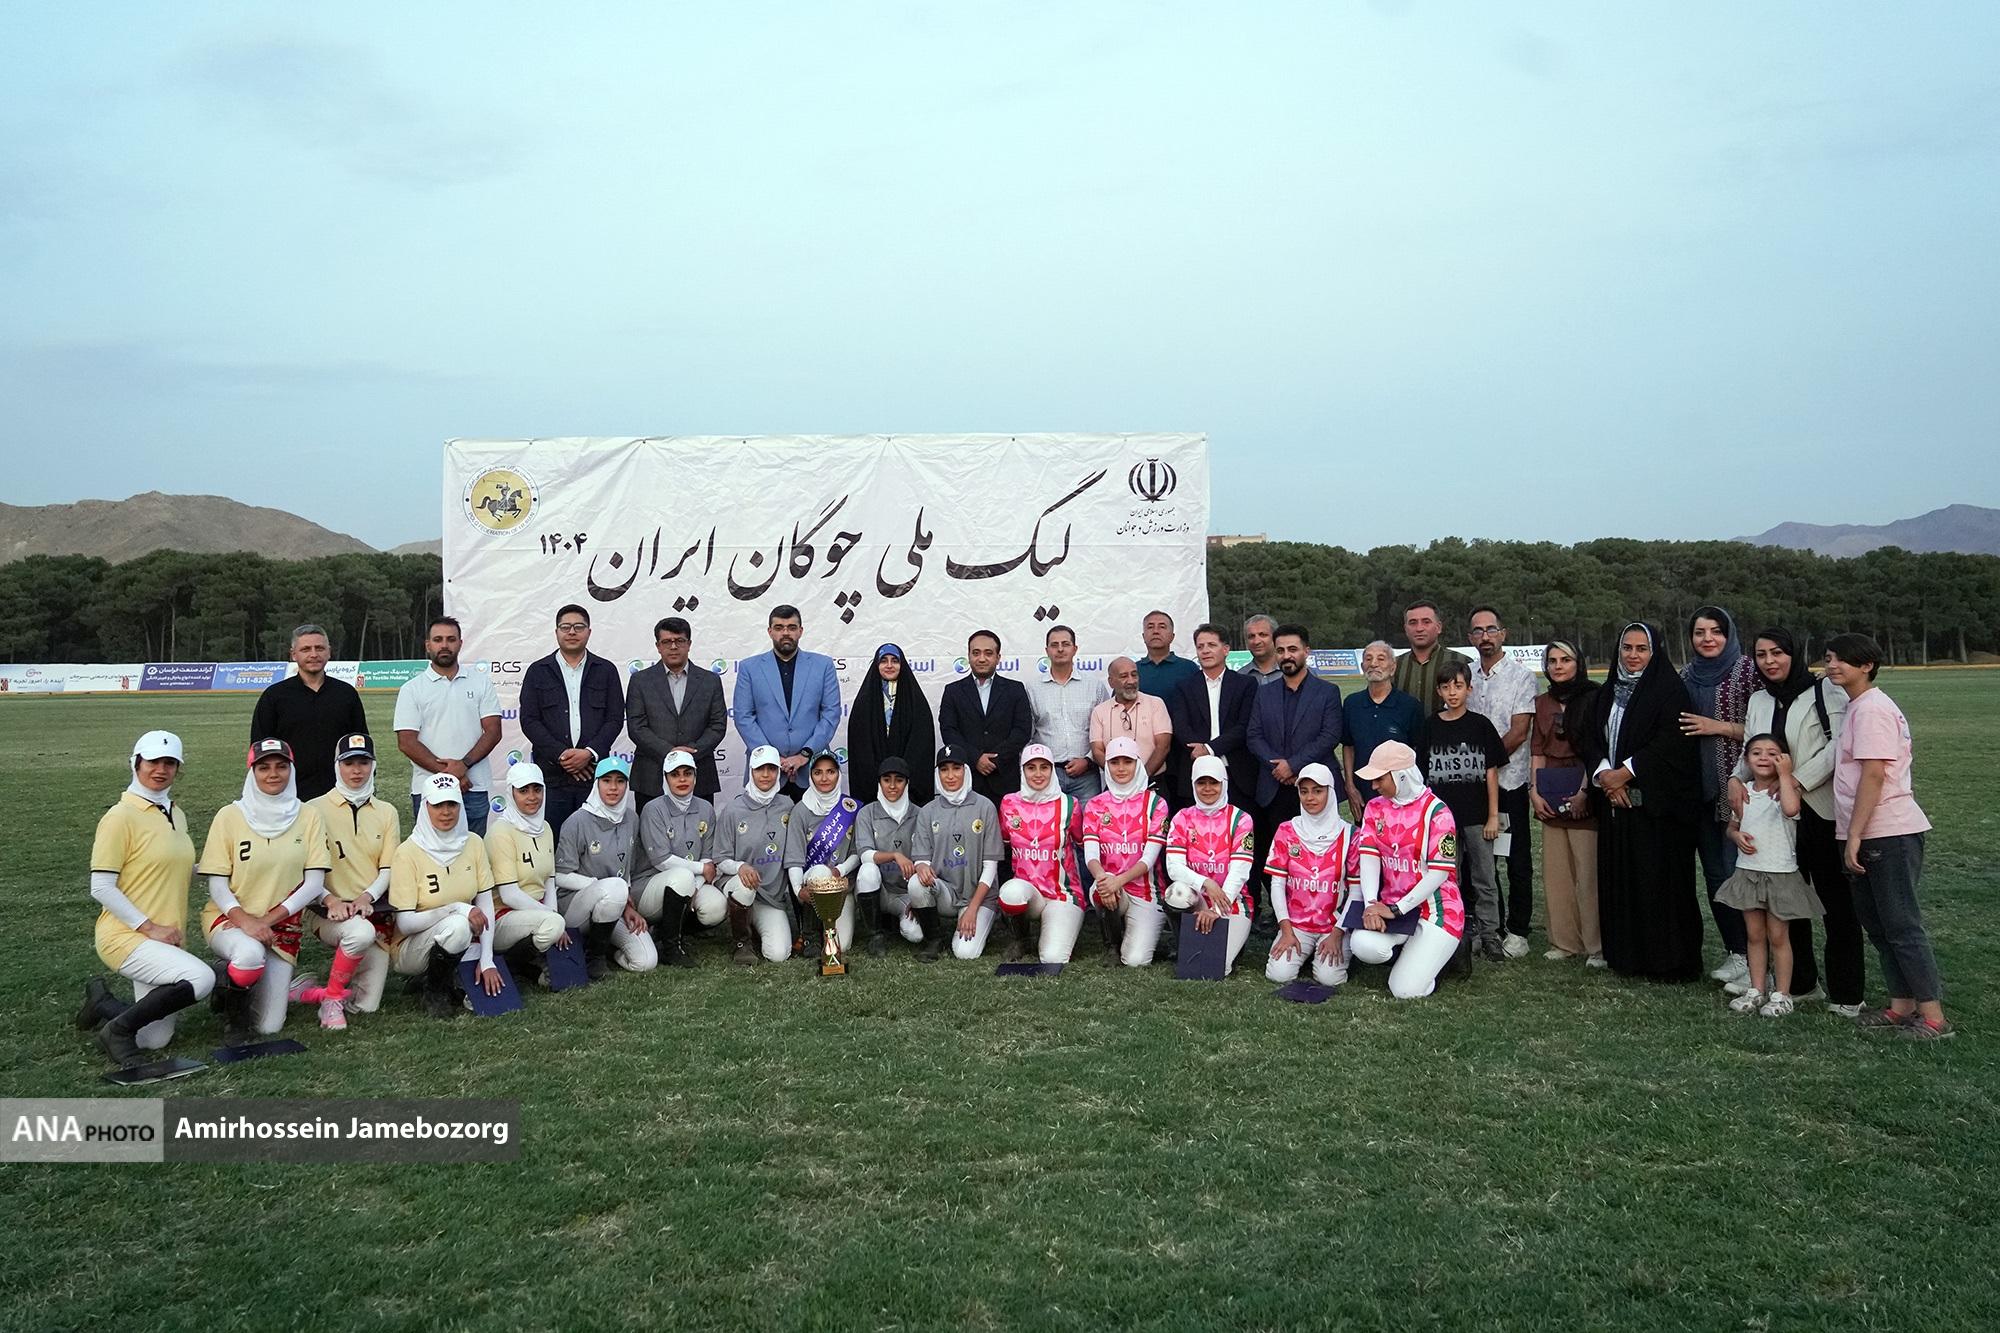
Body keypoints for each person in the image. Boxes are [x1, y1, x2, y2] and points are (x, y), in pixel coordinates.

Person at [1727, 628, 1859, 1013]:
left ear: (1794, 653)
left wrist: (1797, 781)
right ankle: (1800, 983)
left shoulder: (1825, 691)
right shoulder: (1759, 699)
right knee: (1785, 902)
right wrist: (1735, 778)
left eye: (1778, 653)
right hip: (1774, 818)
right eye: (1761, 654)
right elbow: (1752, 748)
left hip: (1820, 809)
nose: (1770, 661)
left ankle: (1847, 993)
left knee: (1836, 904)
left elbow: (1838, 746)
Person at [1826, 634, 1950, 1040]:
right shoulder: (1856, 707)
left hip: (1887, 831)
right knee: (1879, 927)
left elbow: (1874, 774)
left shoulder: (1873, 709)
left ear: (1867, 666)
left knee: (1901, 926)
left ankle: (1933, 1018)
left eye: (1844, 659)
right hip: (1865, 832)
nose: (1833, 665)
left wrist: (1855, 835)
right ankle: (1901, 1006)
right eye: (1830, 658)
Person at [77, 730, 216, 1068]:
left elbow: (174, 869)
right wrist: (150, 927)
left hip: (164, 939)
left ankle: (102, 1003)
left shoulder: (175, 813)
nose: (161, 769)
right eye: (153, 761)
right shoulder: (119, 817)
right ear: (136, 763)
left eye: (170, 763)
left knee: (155, 1040)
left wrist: (222, 870)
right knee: (201, 979)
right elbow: (101, 887)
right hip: (126, 936)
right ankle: (116, 1033)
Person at [1583, 624, 1703, 982]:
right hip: (1616, 804)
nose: (1633, 655)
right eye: (1627, 648)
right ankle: (1626, 955)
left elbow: (1672, 742)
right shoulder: (1607, 693)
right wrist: (1606, 777)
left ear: (1655, 652)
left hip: (1658, 811)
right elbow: (1590, 737)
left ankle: (1666, 961)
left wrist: (1627, 772)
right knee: (1622, 880)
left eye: (1641, 649)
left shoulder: (1670, 691)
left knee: (1657, 883)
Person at [199, 738, 334, 1043]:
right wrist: (246, 921)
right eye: (263, 767)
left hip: (280, 927)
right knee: (248, 953)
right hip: (231, 919)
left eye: (281, 766)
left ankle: (230, 980)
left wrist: (265, 922)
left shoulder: (308, 816)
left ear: (291, 770)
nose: (273, 774)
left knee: (270, 1026)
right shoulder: (229, 816)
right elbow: (217, 884)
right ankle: (235, 1019)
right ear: (252, 772)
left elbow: (313, 883)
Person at [1677, 605, 1760, 988]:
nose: (1707, 639)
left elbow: (1766, 730)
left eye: (1715, 631)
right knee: (1714, 875)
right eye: (1699, 632)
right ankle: (1736, 952)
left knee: (1738, 871)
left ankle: (1759, 957)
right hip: (1699, 792)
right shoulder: (1686, 675)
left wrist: (1719, 727)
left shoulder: (1747, 671)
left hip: (1740, 789)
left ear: (1729, 634)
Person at [296, 732, 398, 1030]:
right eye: (349, 763)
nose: (356, 771)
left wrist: (367, 897)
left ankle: (306, 991)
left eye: (363, 763)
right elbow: (304, 869)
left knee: (366, 1006)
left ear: (373, 765)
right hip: (326, 911)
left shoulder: (387, 812)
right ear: (336, 765)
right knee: (359, 934)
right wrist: (329, 900)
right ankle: (331, 1000)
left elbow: (388, 867)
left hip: (371, 910)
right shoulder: (312, 809)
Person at [1349, 742, 1465, 999]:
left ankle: (1444, 954)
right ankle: (1415, 951)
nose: (1374, 786)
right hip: (1392, 907)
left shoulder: (1438, 812)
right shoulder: (1375, 808)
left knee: (1405, 990)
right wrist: (1371, 905)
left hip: (1435, 910)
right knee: (1362, 945)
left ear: (1401, 776)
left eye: (1380, 779)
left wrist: (1396, 909)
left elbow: (1439, 873)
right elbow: (1369, 857)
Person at [1718, 736, 1823, 1017]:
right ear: (1746, 759)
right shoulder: (1743, 792)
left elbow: (1791, 809)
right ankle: (1756, 989)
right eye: (1756, 752)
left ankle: (1782, 994)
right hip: (1748, 872)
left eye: (1772, 753)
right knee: (1754, 935)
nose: (1763, 758)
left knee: (1778, 936)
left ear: (1784, 759)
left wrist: (1786, 775)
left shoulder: (1785, 791)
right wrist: (1736, 836)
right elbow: (1732, 826)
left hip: (1780, 874)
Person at [1246, 624, 1343, 907]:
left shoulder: (1327, 691)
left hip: (1314, 788)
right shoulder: (1264, 693)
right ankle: (1282, 911)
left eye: (1292, 649)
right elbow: (1254, 735)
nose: (1286, 655)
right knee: (1275, 854)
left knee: (1317, 854)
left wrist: (1294, 765)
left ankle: (1318, 910)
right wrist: (1278, 767)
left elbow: (1330, 735)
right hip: (1274, 787)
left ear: (1306, 651)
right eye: (1280, 650)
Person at [387, 773, 495, 1017]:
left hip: (463, 937)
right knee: (458, 926)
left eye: (452, 804)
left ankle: (445, 978)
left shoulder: (474, 843)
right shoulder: (407, 852)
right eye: (438, 805)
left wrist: (487, 959)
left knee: (470, 940)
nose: (446, 812)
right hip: (411, 947)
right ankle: (434, 991)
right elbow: (405, 923)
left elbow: (486, 905)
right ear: (425, 806)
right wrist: (457, 908)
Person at [1422, 660, 1507, 961]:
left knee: (1484, 877)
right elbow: (1423, 777)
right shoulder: (1430, 726)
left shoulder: (1480, 725)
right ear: (1438, 691)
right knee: (1447, 878)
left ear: (1469, 689)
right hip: (1443, 822)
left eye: (1458, 686)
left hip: (1477, 817)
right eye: (1446, 687)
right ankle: (1452, 932)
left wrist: (1493, 815)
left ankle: (1490, 934)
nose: (1452, 692)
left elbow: (1492, 773)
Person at [517, 604, 627, 835]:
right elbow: (529, 720)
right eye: (565, 627)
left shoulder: (606, 670)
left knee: (595, 841)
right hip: (552, 776)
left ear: (589, 631)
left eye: (579, 627)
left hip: (594, 775)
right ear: (556, 632)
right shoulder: (538, 671)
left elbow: (615, 718)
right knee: (554, 840)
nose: (572, 632)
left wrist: (588, 753)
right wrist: (563, 756)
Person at [1466, 607, 1537, 958]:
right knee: (1482, 861)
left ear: (1503, 634)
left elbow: (1519, 732)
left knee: (1516, 859)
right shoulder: (1466, 675)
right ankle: (1490, 926)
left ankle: (1519, 930)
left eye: (1491, 629)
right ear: (1470, 638)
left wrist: (1486, 765)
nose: (1485, 636)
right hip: (1472, 786)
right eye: (1478, 631)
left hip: (1509, 782)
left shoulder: (1521, 677)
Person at [394, 616, 503, 836]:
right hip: (429, 788)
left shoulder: (480, 682)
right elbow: (406, 742)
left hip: (473, 786)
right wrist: (451, 774)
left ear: (460, 644)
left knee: (473, 850)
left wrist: (464, 764)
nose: (444, 645)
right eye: (438, 640)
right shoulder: (412, 689)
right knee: (432, 852)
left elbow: (493, 731)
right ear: (428, 645)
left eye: (451, 639)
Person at [1530, 641, 1604, 966]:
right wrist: (1534, 792)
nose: (1558, 666)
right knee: (1556, 873)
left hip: (1585, 785)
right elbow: (1537, 751)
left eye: (1565, 660)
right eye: (1552, 661)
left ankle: (1596, 945)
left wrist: (1585, 791)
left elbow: (1599, 748)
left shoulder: (1594, 696)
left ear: (1578, 663)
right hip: (1550, 787)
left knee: (1588, 873)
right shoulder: (1542, 703)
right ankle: (1564, 941)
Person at [552, 756, 659, 978]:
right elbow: (560, 876)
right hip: (575, 908)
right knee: (614, 887)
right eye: (606, 780)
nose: (613, 787)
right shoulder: (577, 821)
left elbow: (626, 870)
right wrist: (603, 887)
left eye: (620, 781)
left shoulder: (631, 818)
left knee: (646, 961)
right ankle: (595, 958)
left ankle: (606, 948)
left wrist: (626, 905)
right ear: (596, 784)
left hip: (613, 905)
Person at [249, 623, 371, 801]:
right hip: (291, 795)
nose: (313, 654)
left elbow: (361, 743)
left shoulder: (346, 694)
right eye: (306, 649)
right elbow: (259, 748)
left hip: (340, 794)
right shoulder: (274, 696)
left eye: (319, 648)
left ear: (329, 652)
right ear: (293, 654)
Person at [1262, 763, 1358, 987]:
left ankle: (1339, 949)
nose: (1310, 798)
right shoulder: (1287, 830)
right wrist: (1286, 930)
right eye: (1304, 791)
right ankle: (1303, 951)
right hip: (1296, 925)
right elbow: (1277, 885)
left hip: (1334, 926)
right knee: (1278, 975)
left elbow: (1357, 891)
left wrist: (1338, 933)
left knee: (1329, 979)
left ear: (1330, 793)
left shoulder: (1350, 835)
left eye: (1318, 791)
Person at [732, 604, 842, 796]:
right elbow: (743, 717)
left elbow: (831, 714)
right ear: (769, 631)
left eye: (791, 627)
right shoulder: (749, 668)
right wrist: (772, 757)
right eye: (779, 627)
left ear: (800, 631)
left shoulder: (823, 666)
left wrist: (805, 755)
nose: (785, 633)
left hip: (812, 769)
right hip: (766, 771)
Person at [1162, 755, 1257, 974]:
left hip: (1232, 901)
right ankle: (1185, 942)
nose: (1207, 789)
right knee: (1176, 892)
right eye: (1201, 782)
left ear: (1224, 783)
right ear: (1193, 784)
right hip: (1196, 899)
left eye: (1213, 782)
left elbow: (1240, 871)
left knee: (1216, 968)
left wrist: (1216, 910)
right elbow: (1174, 867)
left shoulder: (1241, 819)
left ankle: (1230, 937)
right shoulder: (1182, 818)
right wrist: (1207, 883)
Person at [481, 762, 573, 990]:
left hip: (534, 913)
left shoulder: (545, 827)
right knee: (553, 925)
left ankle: (525, 963)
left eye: (537, 789)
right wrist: (552, 918)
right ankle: (510, 964)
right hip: (502, 916)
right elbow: (509, 894)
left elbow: (550, 880)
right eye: (523, 791)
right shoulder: (500, 832)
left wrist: (553, 915)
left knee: (554, 923)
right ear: (511, 793)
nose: (532, 797)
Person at [995, 744, 1087, 964]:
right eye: (1031, 768)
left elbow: (1083, 844)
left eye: (1044, 767)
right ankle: (1022, 939)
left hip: (1062, 893)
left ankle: (1059, 923)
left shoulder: (1070, 804)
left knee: (1053, 958)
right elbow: (1004, 842)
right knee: (1010, 893)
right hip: (1027, 893)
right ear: (1022, 771)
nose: (1038, 774)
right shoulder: (1009, 803)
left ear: (1052, 770)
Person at [1084, 737, 1171, 967]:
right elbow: (1091, 855)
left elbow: (1148, 859)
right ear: (1107, 766)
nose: (1121, 768)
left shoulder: (1156, 804)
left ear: (1137, 764)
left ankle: (1140, 935)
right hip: (1109, 886)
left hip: (1146, 892)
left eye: (1127, 762)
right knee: (1100, 892)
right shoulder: (1095, 804)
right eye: (1114, 762)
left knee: (1135, 960)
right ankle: (1112, 945)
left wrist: (1118, 881)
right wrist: (1104, 880)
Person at [910, 745, 1002, 962]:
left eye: (956, 768)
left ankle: (984, 916)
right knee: (916, 884)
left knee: (965, 953)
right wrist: (921, 867)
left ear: (966, 771)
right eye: (944, 770)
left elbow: (991, 867)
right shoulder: (928, 811)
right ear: (937, 774)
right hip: (946, 893)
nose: (950, 776)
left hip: (979, 896)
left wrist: (972, 909)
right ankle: (934, 939)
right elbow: (921, 859)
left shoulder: (985, 806)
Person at [627, 615, 727, 809]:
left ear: (689, 644)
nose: (673, 647)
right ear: (658, 646)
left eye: (679, 641)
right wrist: (669, 752)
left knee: (699, 828)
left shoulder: (710, 681)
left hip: (699, 774)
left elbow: (717, 726)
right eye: (667, 642)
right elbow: (636, 727)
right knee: (652, 828)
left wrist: (689, 753)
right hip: (651, 777)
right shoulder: (640, 681)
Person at [635, 751, 720, 968]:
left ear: (695, 776)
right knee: (682, 876)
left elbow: (708, 857)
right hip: (648, 886)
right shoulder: (653, 809)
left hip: (688, 882)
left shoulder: (706, 808)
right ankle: (671, 948)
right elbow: (661, 860)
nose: (682, 779)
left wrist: (696, 886)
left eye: (687, 773)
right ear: (666, 778)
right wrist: (699, 870)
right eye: (675, 774)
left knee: (716, 908)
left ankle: (671, 930)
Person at [715, 746, 796, 965]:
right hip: (739, 886)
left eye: (772, 769)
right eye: (760, 769)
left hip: (770, 897)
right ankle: (741, 943)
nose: (766, 775)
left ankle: (754, 924)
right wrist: (740, 867)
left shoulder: (787, 805)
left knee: (778, 954)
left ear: (778, 772)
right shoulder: (733, 810)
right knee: (745, 887)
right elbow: (720, 859)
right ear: (751, 771)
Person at [1168, 623, 1258, 813]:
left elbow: (1244, 726)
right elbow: (1180, 726)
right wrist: (1199, 751)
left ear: (1225, 649)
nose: (1205, 651)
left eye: (1211, 645)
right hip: (1196, 772)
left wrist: (1209, 749)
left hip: (1237, 775)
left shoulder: (1245, 684)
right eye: (1200, 646)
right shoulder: (1184, 686)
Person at [938, 629, 1033, 807]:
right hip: (968, 780)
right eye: (976, 653)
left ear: (998, 657)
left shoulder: (1015, 690)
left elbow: (1022, 730)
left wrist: (995, 759)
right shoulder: (953, 691)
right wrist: (976, 758)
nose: (982, 658)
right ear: (968, 656)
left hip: (1005, 779)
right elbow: (949, 731)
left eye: (988, 653)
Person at [785, 750, 863, 956]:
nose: (824, 778)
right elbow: (794, 858)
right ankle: (810, 936)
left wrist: (839, 870)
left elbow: (858, 852)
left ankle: (825, 931)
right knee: (821, 872)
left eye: (830, 772)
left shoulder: (851, 808)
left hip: (842, 885)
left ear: (839, 774)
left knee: (842, 945)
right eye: (818, 772)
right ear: (810, 776)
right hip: (812, 881)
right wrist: (797, 890)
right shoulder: (801, 810)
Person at [1340, 641, 1426, 824]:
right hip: (1363, 791)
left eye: (1381, 658)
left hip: (1400, 795)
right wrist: (1350, 785)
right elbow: (1348, 746)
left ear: (1392, 668)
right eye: (1368, 659)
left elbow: (1417, 751)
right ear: (1362, 666)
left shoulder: (1410, 705)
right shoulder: (1352, 704)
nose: (1374, 663)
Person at [846, 643, 938, 810]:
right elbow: (860, 746)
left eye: (894, 661)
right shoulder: (864, 700)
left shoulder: (915, 700)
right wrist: (879, 777)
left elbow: (921, 743)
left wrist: (901, 775)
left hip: (908, 786)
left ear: (902, 665)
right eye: (884, 661)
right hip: (872, 787)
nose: (889, 665)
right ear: (876, 665)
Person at [1031, 624, 1110, 807]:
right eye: (1054, 645)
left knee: (1089, 824)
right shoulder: (1032, 688)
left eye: (1065, 644)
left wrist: (1088, 760)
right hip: (1047, 775)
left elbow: (1105, 730)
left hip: (1087, 776)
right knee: (1048, 824)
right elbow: (1027, 734)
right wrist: (1038, 766)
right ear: (1046, 651)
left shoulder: (1094, 686)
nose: (1060, 649)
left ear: (1075, 649)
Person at [855, 757, 921, 957]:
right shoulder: (866, 813)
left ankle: (898, 922)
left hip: (905, 893)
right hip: (879, 889)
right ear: (879, 782)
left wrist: (919, 897)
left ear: (907, 783)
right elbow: (865, 855)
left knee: (916, 935)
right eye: (886, 780)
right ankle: (875, 935)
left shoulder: (920, 814)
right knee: (867, 870)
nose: (892, 786)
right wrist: (894, 855)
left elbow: (927, 859)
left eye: (899, 780)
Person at [1089, 657, 1173, 787]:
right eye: (1124, 676)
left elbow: (1163, 746)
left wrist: (1141, 778)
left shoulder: (1155, 704)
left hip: (1152, 782)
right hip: (1115, 785)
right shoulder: (1099, 711)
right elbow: (1097, 751)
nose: (1131, 681)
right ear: (1111, 682)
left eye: (1134, 675)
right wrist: (1118, 776)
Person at [1391, 600, 1470, 716]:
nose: (1419, 628)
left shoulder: (1461, 662)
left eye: (1426, 622)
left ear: (1439, 627)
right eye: (1413, 623)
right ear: (1406, 629)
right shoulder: (1393, 665)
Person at [1135, 610, 1200, 702]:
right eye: (1150, 627)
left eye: (1162, 627)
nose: (1156, 631)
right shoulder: (1133, 670)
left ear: (1172, 636)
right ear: (1143, 636)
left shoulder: (1188, 668)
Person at [1239, 614, 1283, 686]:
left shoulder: (1293, 672)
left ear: (1276, 638)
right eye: (1251, 636)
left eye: (1262, 635)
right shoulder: (1240, 677)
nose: (1256, 642)